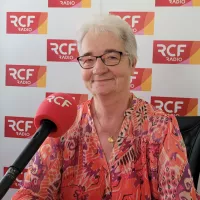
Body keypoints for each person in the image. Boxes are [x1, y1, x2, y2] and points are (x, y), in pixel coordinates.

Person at [12, 14, 200, 200]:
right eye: (88, 59)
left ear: (132, 63)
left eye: (111, 57)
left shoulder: (161, 127)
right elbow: (31, 193)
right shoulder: (63, 126)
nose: (98, 69)